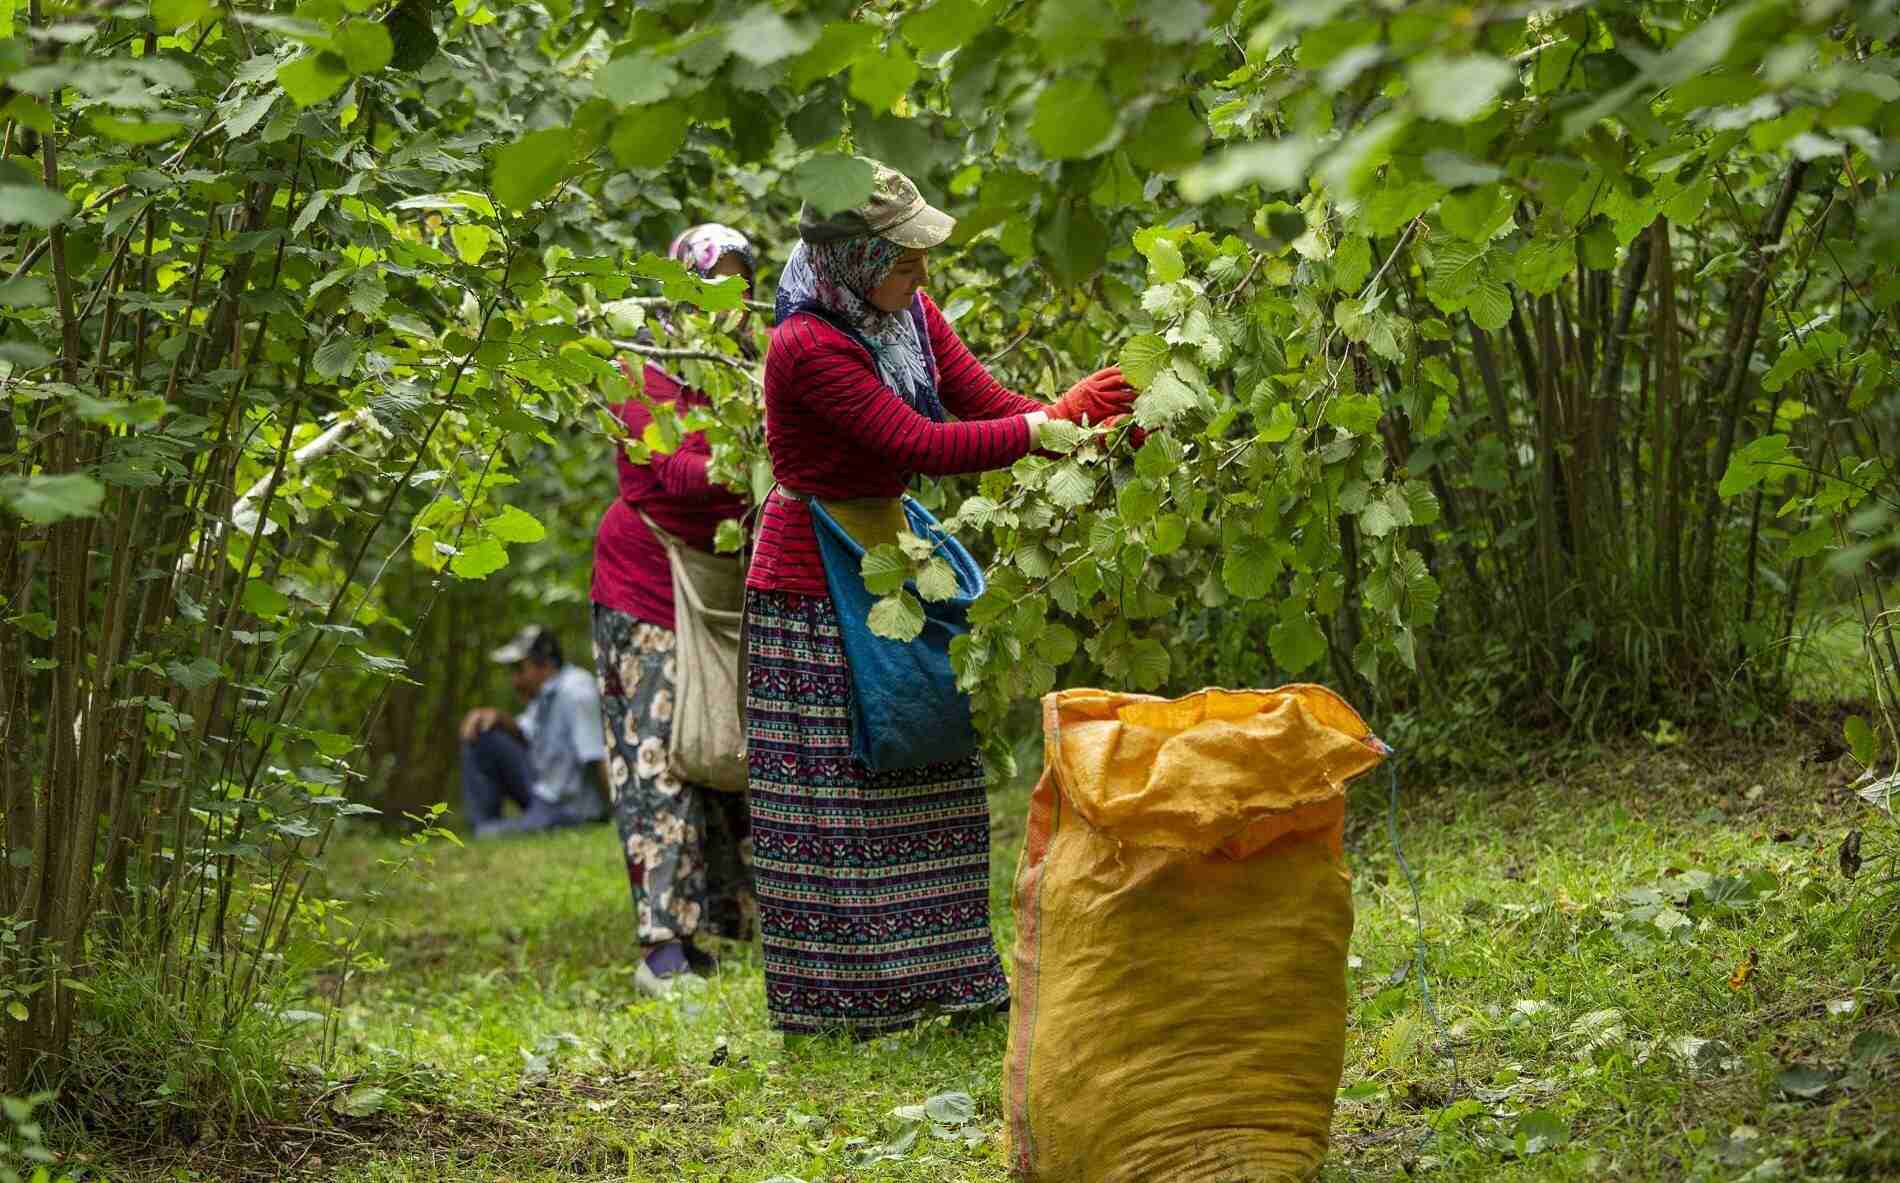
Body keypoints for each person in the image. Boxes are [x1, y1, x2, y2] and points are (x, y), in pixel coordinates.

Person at [744, 161, 1139, 1036]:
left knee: (928, 753)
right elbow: (920, 439)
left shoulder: (908, 317)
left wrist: (1083, 429)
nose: (924, 274)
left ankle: (950, 979)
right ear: (853, 256)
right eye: (906, 258)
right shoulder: (805, 344)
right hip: (816, 575)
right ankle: (848, 1004)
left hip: (893, 555)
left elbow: (990, 406)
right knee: (839, 790)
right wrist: (1044, 425)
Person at [590, 224, 758, 997]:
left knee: (727, 746)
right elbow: (671, 470)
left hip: (724, 588)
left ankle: (731, 918)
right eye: (709, 283)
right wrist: (756, 462)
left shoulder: (748, 371)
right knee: (658, 754)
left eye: (738, 282)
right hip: (646, 585)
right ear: (680, 291)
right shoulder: (643, 374)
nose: (725, 299)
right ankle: (662, 944)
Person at [458, 625, 610, 838]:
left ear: (546, 666)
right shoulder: (545, 694)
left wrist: (618, 815)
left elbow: (596, 757)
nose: (515, 681)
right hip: (544, 791)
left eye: (520, 670)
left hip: (569, 808)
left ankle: (486, 833)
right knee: (483, 737)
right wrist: (496, 718)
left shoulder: (576, 692)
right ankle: (482, 826)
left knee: (489, 834)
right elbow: (525, 733)